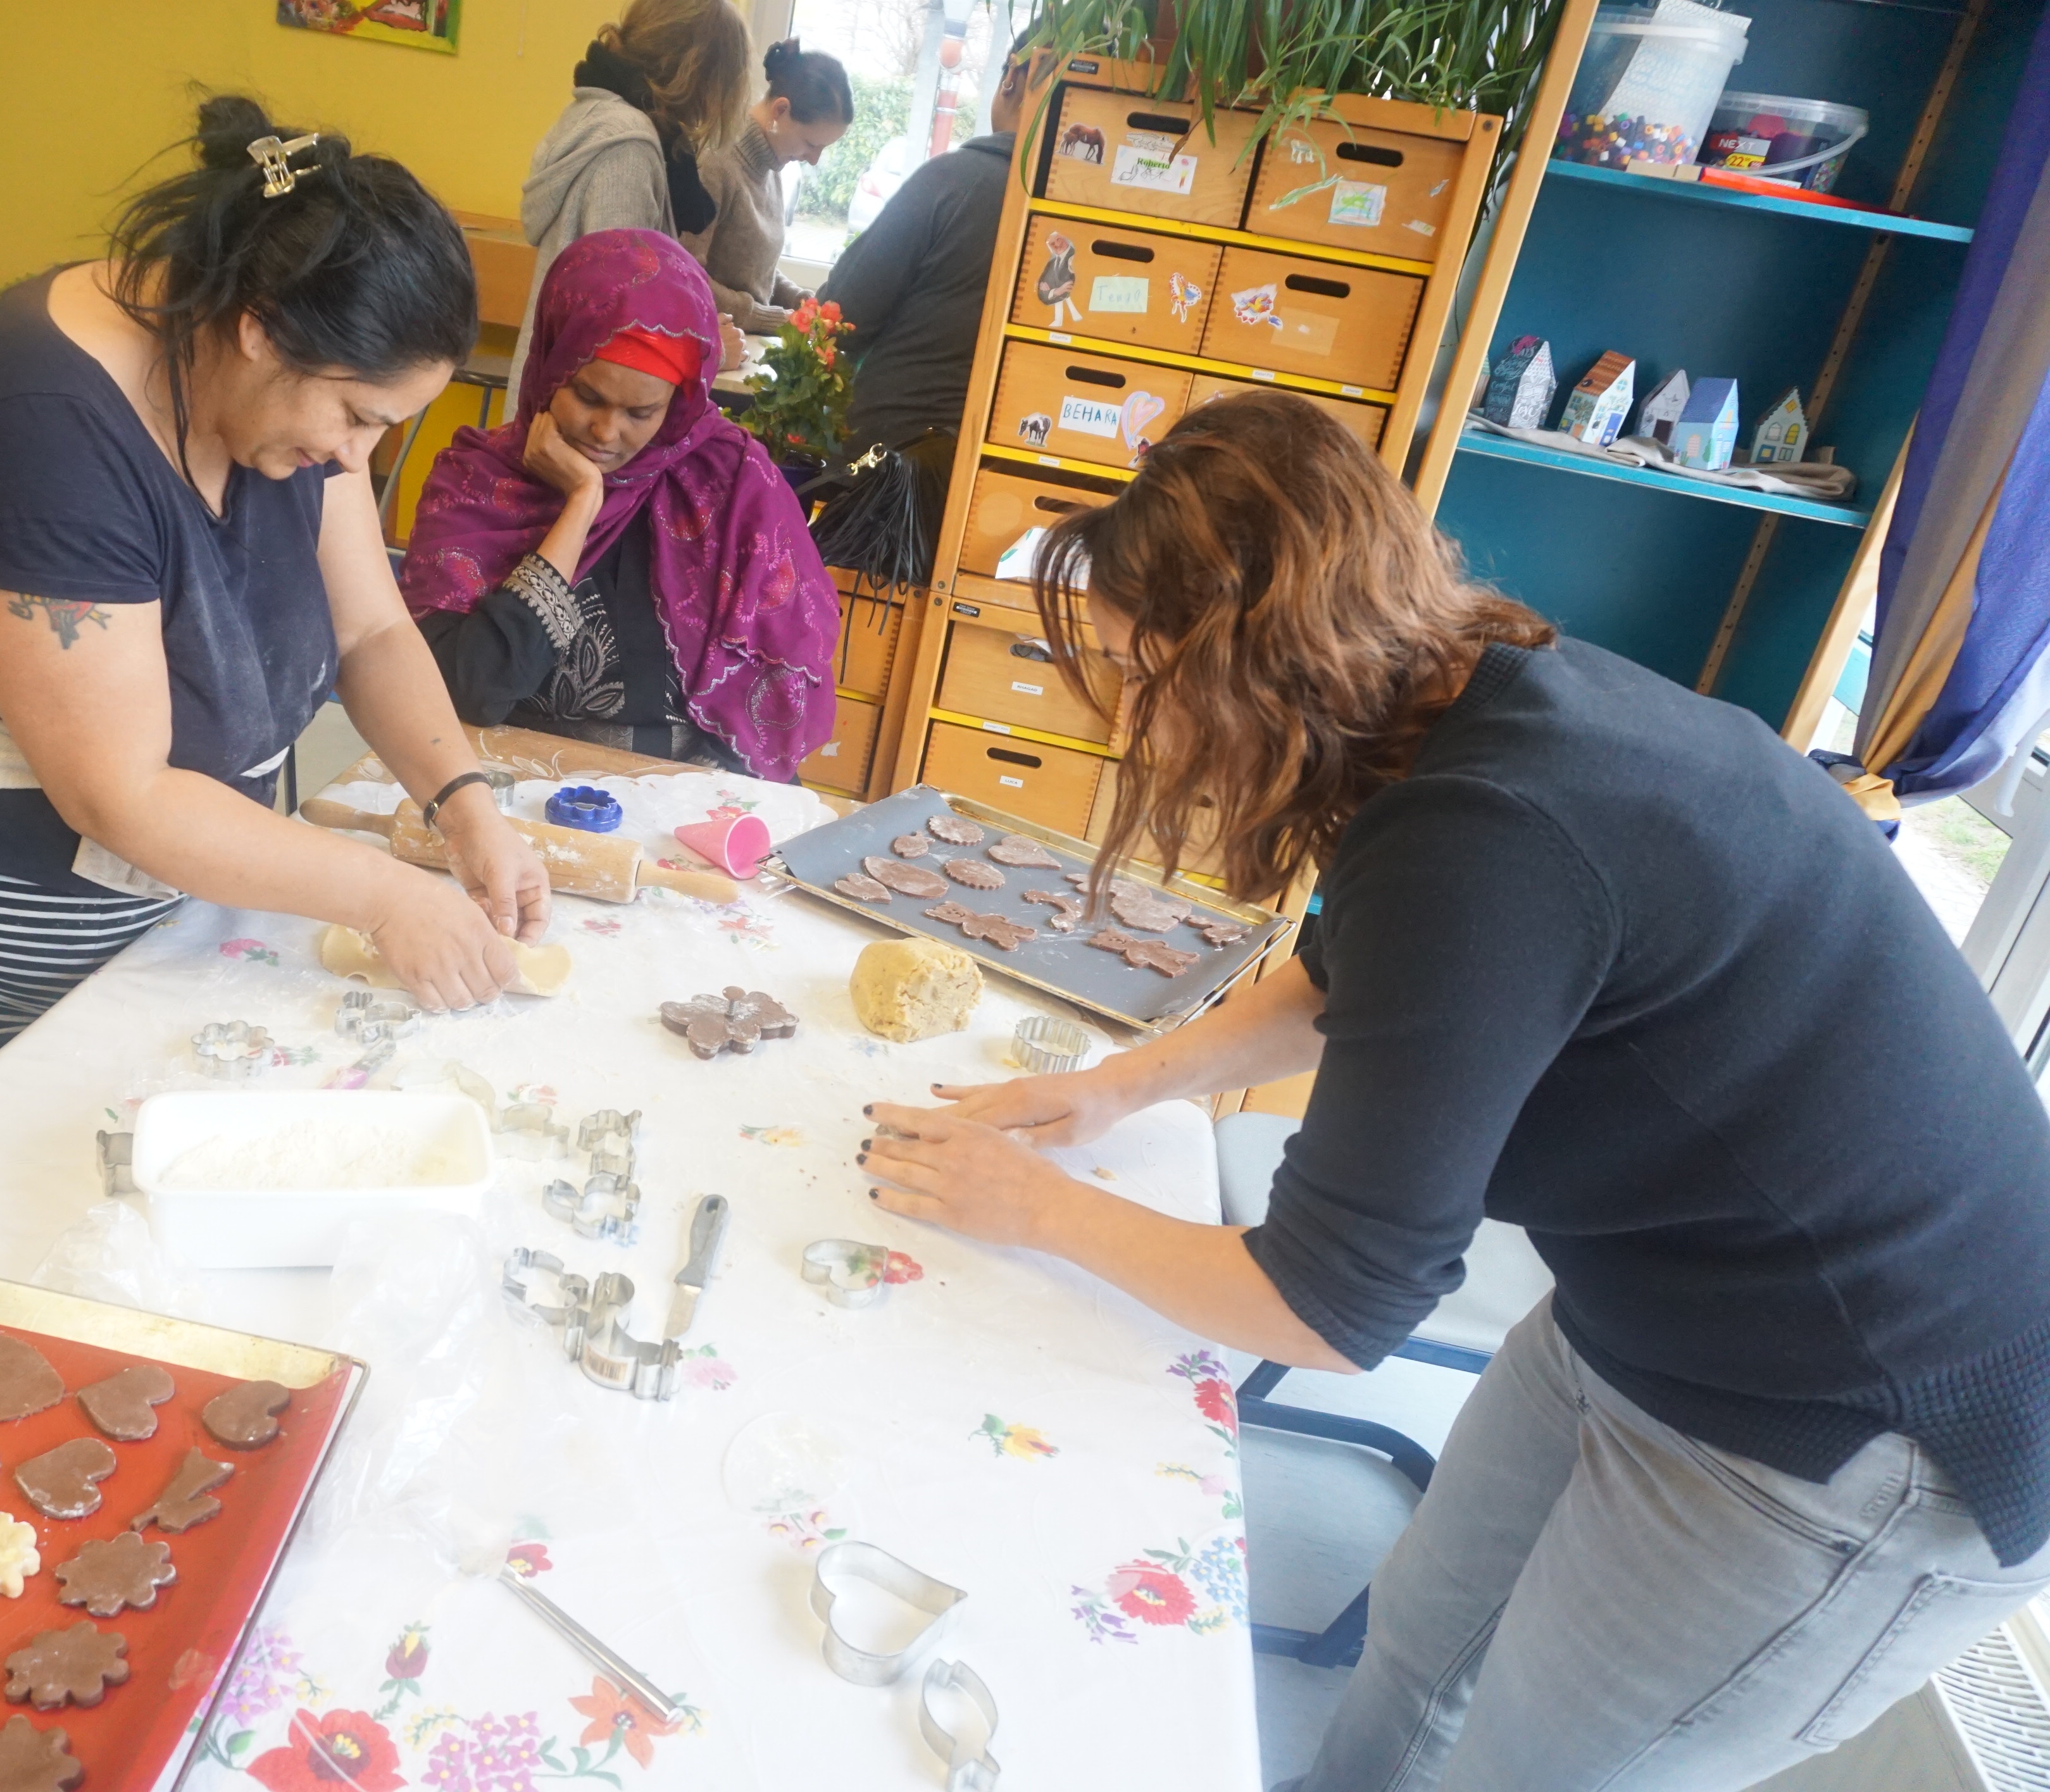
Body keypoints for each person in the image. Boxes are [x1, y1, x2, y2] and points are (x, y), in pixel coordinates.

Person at [860, 391, 2050, 1791]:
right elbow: (1342, 977)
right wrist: (1122, 1092)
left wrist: (1040, 1211)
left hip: (1863, 1426)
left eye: (1138, 672)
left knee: (1534, 1766)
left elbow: (1321, 1304)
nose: (1130, 720)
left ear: (1248, 659)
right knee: (1422, 1649)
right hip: (1662, 1305)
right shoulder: (1462, 704)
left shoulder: (1489, 831)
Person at [0, 97, 552, 1221]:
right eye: (357, 417)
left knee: (169, 1179)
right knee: (53, 1207)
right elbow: (117, 789)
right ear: (261, 327)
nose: (353, 456)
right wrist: (384, 892)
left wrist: (464, 800)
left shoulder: (281, 385)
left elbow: (371, 629)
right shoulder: (41, 428)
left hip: (135, 888)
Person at [399, 229, 837, 780]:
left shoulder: (732, 487)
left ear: (679, 404)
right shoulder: (477, 485)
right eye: (587, 397)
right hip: (518, 789)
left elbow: (774, 708)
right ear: (550, 365)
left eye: (641, 413)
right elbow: (473, 690)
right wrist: (581, 505)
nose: (605, 433)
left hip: (694, 805)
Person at [516, 0, 752, 389]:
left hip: (565, 401)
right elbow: (620, 324)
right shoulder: (628, 148)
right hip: (584, 418)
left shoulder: (593, 115)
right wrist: (711, 352)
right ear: (699, 75)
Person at [818, 46, 1035, 454]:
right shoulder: (1082, 212)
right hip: (1002, 464)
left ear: (1013, 78)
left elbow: (842, 313)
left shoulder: (954, 181)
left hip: (893, 459)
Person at [680, 39, 851, 335]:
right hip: (710, 353)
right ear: (781, 110)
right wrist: (774, 319)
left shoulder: (771, 166)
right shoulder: (714, 163)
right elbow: (686, 277)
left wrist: (798, 300)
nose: (813, 160)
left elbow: (748, 270)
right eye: (812, 144)